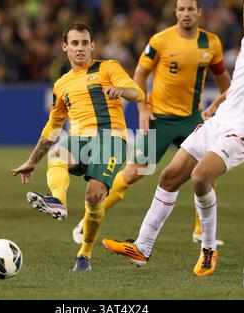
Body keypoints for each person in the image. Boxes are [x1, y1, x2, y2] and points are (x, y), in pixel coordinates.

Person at [101, 0, 244, 276]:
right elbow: (240, 84)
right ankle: (141, 248)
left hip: (243, 130)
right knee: (168, 177)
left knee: (200, 177)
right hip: (219, 122)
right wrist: (218, 102)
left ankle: (208, 250)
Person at [72, 0, 231, 246]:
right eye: (182, 9)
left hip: (191, 119)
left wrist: (224, 106)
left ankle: (200, 231)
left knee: (206, 169)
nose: (186, 13)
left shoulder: (211, 43)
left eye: (191, 9)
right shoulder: (160, 40)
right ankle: (87, 218)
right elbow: (140, 74)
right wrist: (143, 107)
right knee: (135, 172)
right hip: (159, 118)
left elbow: (223, 80)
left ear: (199, 12)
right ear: (176, 12)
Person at [11, 23, 145, 272]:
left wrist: (122, 91)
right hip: (79, 139)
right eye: (74, 43)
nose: (80, 48)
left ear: (92, 45)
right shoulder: (61, 84)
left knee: (94, 196)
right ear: (65, 47)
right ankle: (58, 201)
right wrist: (32, 160)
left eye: (85, 43)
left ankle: (84, 254)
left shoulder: (108, 68)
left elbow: (138, 93)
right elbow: (53, 125)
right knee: (58, 153)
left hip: (111, 139)